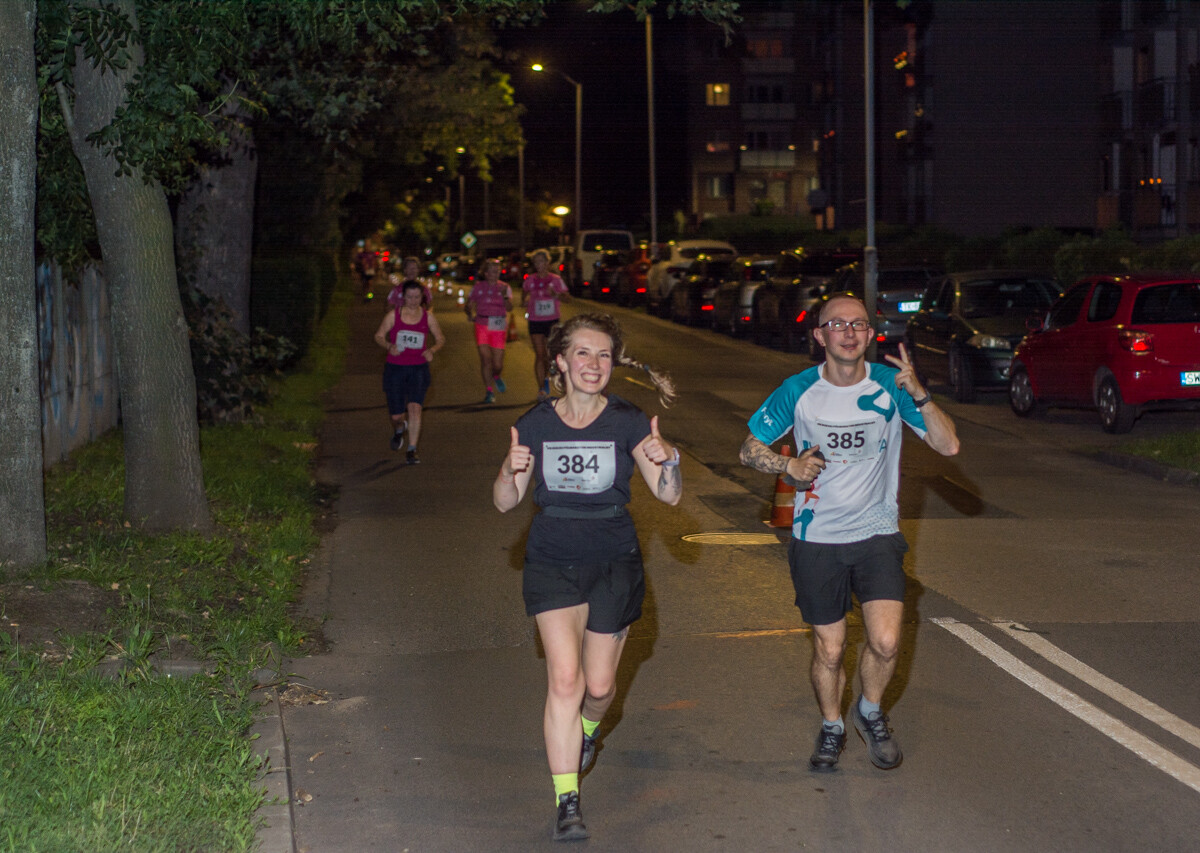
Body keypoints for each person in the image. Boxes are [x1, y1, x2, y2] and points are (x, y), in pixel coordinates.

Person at [739, 294, 959, 773]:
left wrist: (919, 392)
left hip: (876, 532)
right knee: (831, 648)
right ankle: (833, 724)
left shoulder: (890, 385)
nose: (848, 332)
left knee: (884, 642)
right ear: (819, 336)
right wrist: (787, 464)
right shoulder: (798, 389)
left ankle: (871, 711)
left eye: (858, 324)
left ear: (870, 334)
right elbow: (749, 448)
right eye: (836, 324)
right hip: (816, 538)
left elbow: (948, 444)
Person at [492, 313, 682, 842]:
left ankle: (590, 731)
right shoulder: (535, 424)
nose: (593, 365)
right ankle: (567, 798)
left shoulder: (627, 421)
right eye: (583, 353)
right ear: (560, 361)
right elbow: (505, 503)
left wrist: (670, 462)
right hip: (552, 557)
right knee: (566, 681)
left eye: (603, 355)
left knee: (598, 689)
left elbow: (668, 495)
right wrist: (509, 469)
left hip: (614, 560)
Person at [374, 279, 445, 463]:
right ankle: (399, 429)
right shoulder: (393, 315)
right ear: (403, 297)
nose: (413, 301)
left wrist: (432, 350)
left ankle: (412, 449)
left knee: (415, 408)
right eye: (409, 297)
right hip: (395, 368)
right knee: (396, 414)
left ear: (422, 297)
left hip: (418, 368)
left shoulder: (428, 317)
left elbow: (440, 338)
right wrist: (389, 345)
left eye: (417, 297)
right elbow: (379, 335)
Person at [522, 249, 572, 402]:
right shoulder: (529, 280)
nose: (539, 265)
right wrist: (526, 299)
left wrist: (556, 295)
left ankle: (552, 376)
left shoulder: (556, 280)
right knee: (539, 354)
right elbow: (524, 296)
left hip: (552, 321)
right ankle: (542, 389)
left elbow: (568, 298)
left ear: (548, 263)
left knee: (551, 355)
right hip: (536, 320)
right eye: (536, 262)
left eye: (542, 261)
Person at [465, 258, 513, 404]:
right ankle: (489, 391)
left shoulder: (505, 287)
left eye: (497, 271)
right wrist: (469, 313)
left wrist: (505, 295)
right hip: (482, 324)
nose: (495, 273)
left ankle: (496, 376)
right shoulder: (478, 287)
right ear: (486, 273)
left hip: (498, 324)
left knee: (497, 364)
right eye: (492, 271)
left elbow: (510, 308)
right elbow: (469, 304)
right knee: (486, 359)